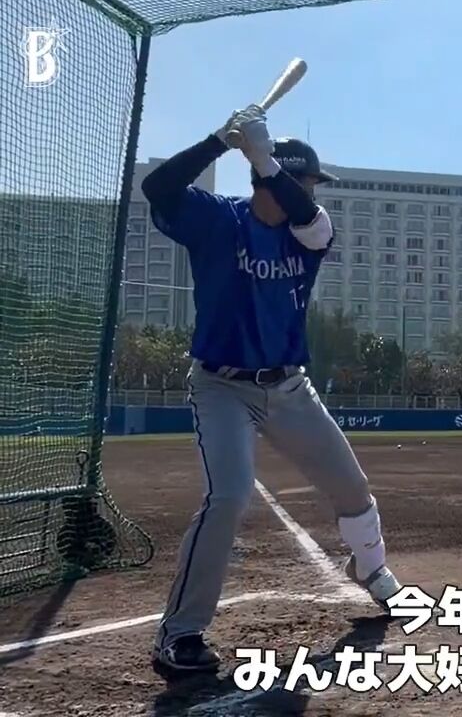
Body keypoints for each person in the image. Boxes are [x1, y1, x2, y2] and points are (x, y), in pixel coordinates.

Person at [142, 106, 402, 677]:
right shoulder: (216, 219)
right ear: (270, 179)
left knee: (352, 487)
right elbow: (156, 188)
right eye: (304, 180)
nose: (309, 191)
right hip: (221, 386)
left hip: (289, 386)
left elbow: (307, 213)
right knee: (229, 497)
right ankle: (180, 632)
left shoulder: (310, 232)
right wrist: (217, 140)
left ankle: (371, 569)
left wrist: (263, 158)